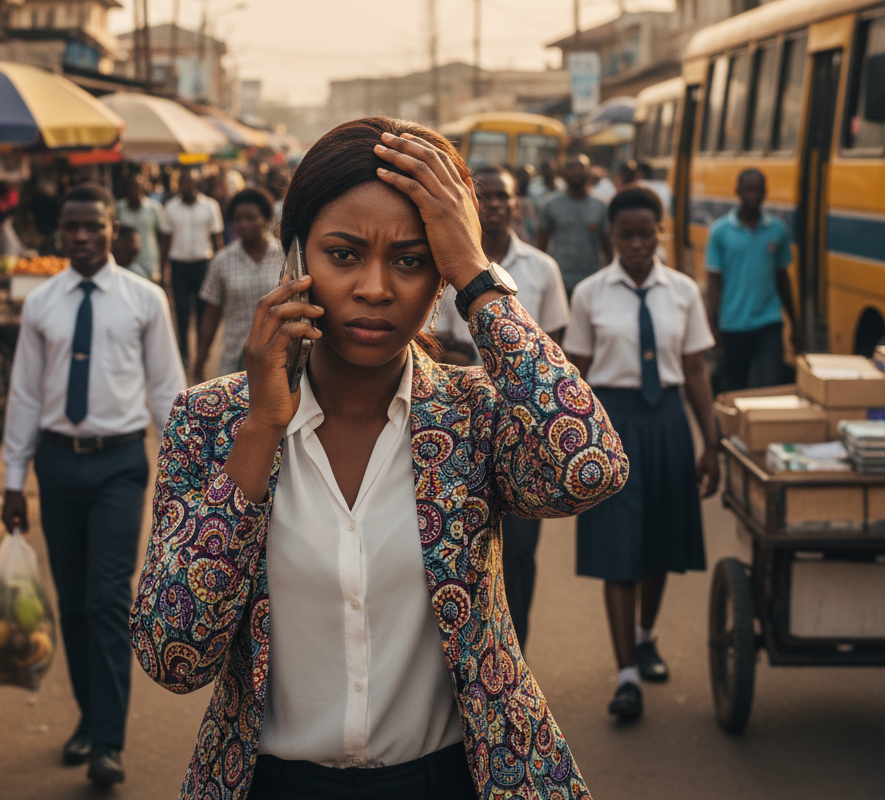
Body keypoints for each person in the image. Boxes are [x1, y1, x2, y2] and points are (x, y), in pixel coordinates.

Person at [130, 117, 628, 800]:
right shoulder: (213, 422)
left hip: (451, 780)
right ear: (297, 258)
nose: (375, 288)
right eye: (343, 255)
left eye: (412, 260)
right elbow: (173, 653)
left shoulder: (473, 415)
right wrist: (262, 429)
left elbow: (590, 466)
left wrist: (477, 279)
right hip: (274, 784)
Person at [0, 184, 185, 787]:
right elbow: (25, 394)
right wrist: (11, 479)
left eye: (92, 226)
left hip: (119, 465)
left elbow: (167, 390)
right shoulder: (41, 303)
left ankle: (108, 740)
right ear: (60, 232)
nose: (81, 236)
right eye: (71, 226)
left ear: (115, 230)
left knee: (108, 599)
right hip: (56, 465)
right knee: (73, 603)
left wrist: (185, 474)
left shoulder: (144, 299)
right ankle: (87, 716)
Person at [563, 186, 718, 722]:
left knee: (660, 544)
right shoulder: (588, 294)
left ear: (659, 234)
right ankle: (625, 674)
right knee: (618, 549)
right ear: (611, 236)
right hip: (612, 424)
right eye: (625, 234)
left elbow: (695, 369)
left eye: (645, 233)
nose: (635, 243)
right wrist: (566, 444)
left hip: (669, 423)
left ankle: (646, 635)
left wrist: (711, 441)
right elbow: (575, 374)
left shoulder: (683, 292)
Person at [429, 165, 568, 651]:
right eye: (484, 199)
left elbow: (553, 353)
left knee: (522, 554)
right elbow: (433, 344)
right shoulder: (439, 263)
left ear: (517, 205)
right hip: (461, 423)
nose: (494, 207)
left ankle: (516, 657)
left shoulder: (543, 269)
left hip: (524, 427)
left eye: (503, 198)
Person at [705, 169, 801, 391]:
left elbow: (782, 278)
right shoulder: (720, 231)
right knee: (735, 386)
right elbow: (714, 284)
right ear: (738, 191)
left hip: (768, 322)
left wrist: (795, 324)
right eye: (749, 190)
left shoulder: (777, 229)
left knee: (770, 385)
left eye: (758, 190)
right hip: (733, 324)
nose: (754, 195)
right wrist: (713, 327)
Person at [192, 188, 284, 382]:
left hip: (279, 356)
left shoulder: (284, 256)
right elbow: (211, 314)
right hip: (234, 359)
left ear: (266, 219)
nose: (243, 224)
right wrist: (200, 360)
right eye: (238, 219)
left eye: (251, 218)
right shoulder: (222, 261)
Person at [163, 170, 224, 363]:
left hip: (202, 265)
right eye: (182, 183)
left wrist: (220, 266)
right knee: (181, 310)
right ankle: (183, 352)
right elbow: (165, 239)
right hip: (179, 264)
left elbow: (217, 238)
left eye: (189, 182)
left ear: (196, 184)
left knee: (201, 310)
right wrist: (163, 267)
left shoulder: (210, 206)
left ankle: (200, 351)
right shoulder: (171, 207)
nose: (185, 186)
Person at [538, 153, 613, 298]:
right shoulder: (550, 204)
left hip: (592, 281)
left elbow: (608, 247)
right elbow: (541, 246)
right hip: (559, 281)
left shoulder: (602, 206)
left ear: (589, 171)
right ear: (563, 172)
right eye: (571, 167)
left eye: (581, 167)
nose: (576, 171)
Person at [115, 173, 168, 283]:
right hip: (125, 261)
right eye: (131, 186)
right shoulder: (119, 208)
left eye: (137, 186)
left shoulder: (154, 208)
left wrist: (163, 266)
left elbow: (161, 237)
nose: (134, 190)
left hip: (148, 259)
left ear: (143, 188)